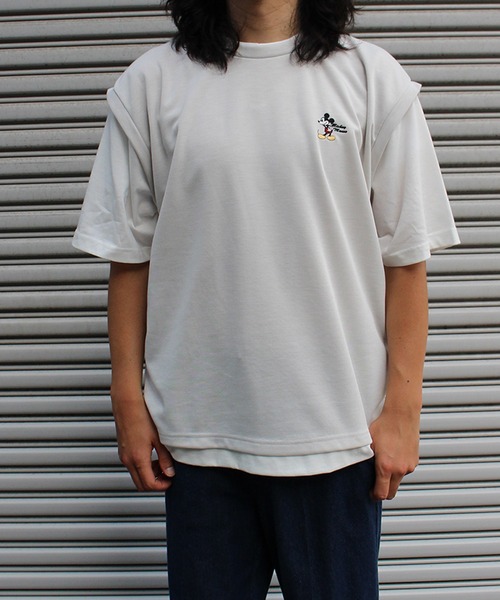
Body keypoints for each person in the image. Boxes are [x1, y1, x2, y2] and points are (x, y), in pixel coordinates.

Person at [73, 0, 460, 597]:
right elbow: (129, 257)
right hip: (198, 441)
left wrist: (404, 413)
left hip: (337, 438)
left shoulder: (371, 79)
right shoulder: (151, 85)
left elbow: (406, 261)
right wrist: (127, 399)